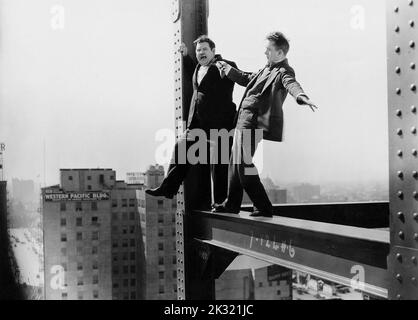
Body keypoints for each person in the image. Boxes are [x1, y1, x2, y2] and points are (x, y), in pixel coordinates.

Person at [213, 31, 317, 218]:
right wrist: (229, 70)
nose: (265, 53)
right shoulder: (265, 69)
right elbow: (246, 78)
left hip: (253, 123)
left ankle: (263, 206)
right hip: (242, 120)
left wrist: (301, 97)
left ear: (280, 53)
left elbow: (291, 83)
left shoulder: (283, 71)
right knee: (235, 165)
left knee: (243, 165)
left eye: (268, 49)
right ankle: (232, 204)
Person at [146, 36, 237, 203]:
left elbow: (236, 77)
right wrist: (187, 55)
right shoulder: (197, 68)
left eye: (204, 49)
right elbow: (193, 74)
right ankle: (168, 188)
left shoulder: (224, 66)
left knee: (219, 166)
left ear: (213, 51)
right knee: (180, 148)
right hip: (197, 123)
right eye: (198, 50)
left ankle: (219, 202)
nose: (201, 52)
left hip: (220, 124)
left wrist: (227, 68)